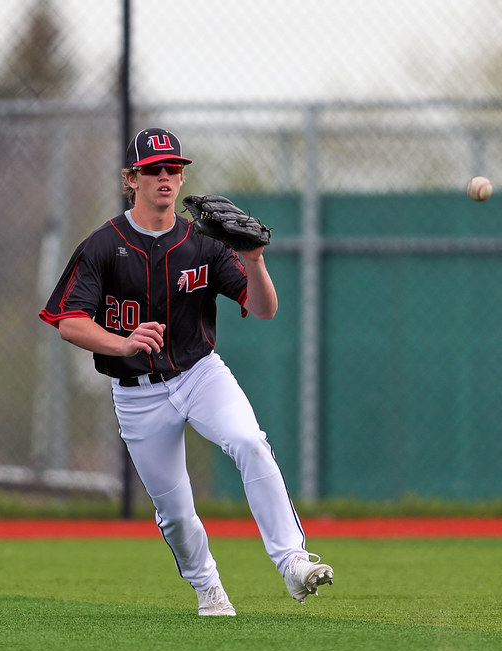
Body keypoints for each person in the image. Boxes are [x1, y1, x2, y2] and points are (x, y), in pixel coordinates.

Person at [39, 127, 333, 616]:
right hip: (136, 394)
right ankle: (209, 589)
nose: (164, 177)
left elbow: (264, 309)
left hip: (199, 373)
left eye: (173, 169)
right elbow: (69, 322)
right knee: (175, 513)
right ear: (130, 179)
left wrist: (254, 260)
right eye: (152, 170)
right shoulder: (102, 246)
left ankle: (293, 563)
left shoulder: (206, 243)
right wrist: (122, 342)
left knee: (248, 441)